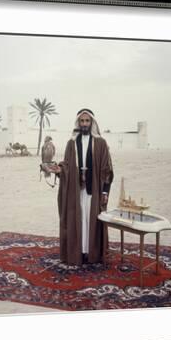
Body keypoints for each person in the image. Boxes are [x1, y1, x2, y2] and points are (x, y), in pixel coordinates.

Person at [50, 109, 114, 266]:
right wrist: (59, 170)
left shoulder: (100, 143)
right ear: (78, 122)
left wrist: (105, 190)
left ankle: (91, 253)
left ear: (92, 122)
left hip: (94, 190)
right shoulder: (71, 143)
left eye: (87, 121)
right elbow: (67, 164)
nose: (84, 124)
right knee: (79, 219)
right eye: (82, 121)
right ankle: (79, 252)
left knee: (91, 218)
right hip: (76, 189)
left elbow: (107, 169)